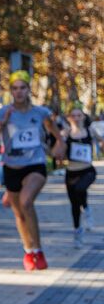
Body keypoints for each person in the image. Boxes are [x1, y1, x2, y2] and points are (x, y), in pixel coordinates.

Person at [0, 71, 58, 270]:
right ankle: (29, 250)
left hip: (35, 164)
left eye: (22, 88)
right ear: (11, 91)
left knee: (27, 202)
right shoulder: (3, 114)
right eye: (15, 88)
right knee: (19, 213)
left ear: (29, 90)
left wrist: (59, 144)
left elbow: (54, 131)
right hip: (12, 166)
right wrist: (2, 122)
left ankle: (39, 251)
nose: (19, 92)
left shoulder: (40, 112)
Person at [53, 102, 96, 248]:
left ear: (84, 117)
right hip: (71, 172)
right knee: (74, 204)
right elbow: (57, 154)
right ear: (69, 118)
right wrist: (60, 144)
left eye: (79, 115)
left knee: (80, 189)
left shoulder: (90, 131)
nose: (77, 118)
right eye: (74, 116)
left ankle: (87, 210)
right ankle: (78, 231)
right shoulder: (66, 134)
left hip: (88, 170)